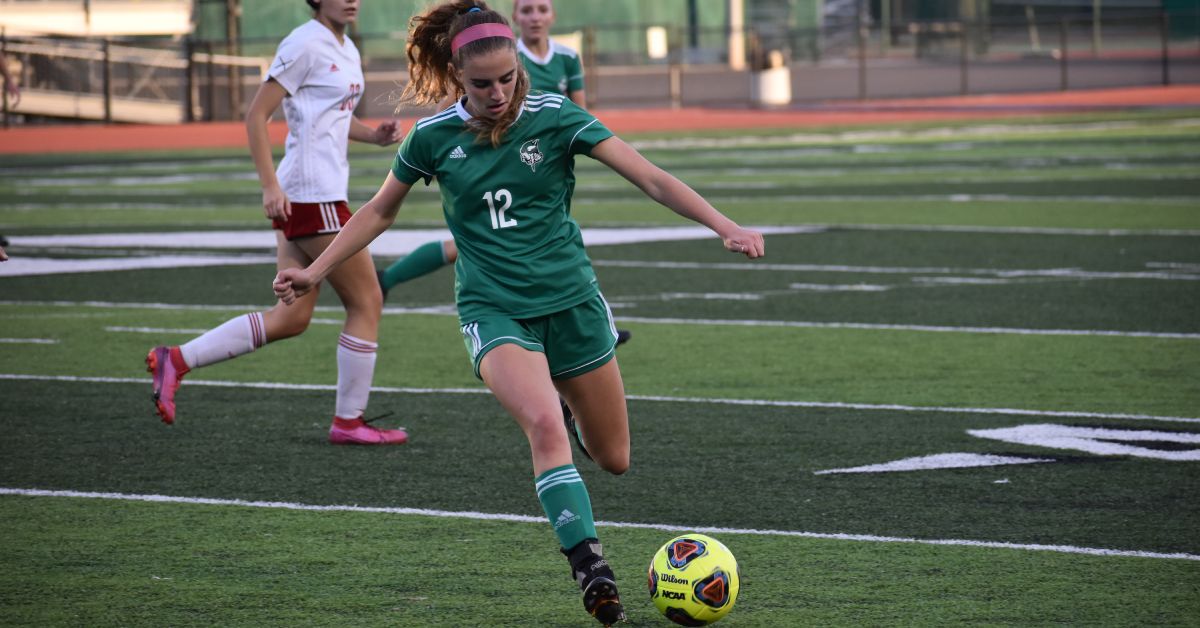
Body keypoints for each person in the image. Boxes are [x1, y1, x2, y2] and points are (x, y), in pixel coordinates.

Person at [271, 2, 764, 624]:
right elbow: (377, 211)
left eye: (508, 79)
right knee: (543, 427)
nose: (499, 92)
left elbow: (651, 178)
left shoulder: (556, 117)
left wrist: (725, 225)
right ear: (456, 76)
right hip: (494, 308)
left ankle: (566, 403)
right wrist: (314, 271)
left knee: (613, 458)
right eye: (482, 84)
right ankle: (591, 568)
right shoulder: (432, 137)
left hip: (573, 304)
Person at [146, 0, 408, 446]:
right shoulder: (304, 42)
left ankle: (176, 359)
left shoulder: (344, 45)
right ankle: (349, 422)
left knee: (290, 318)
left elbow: (332, 117)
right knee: (367, 300)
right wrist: (270, 186)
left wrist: (373, 136)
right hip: (311, 193)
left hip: (312, 193)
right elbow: (255, 115)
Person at [374, 0, 587, 301]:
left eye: (542, 9)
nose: (535, 17)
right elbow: (449, 114)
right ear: (515, 17)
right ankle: (388, 280)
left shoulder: (566, 58)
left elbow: (579, 115)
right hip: (494, 164)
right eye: (527, 10)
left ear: (553, 14)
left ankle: (588, 320)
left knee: (548, 237)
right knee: (487, 244)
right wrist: (449, 154)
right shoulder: (489, 50)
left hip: (539, 165)